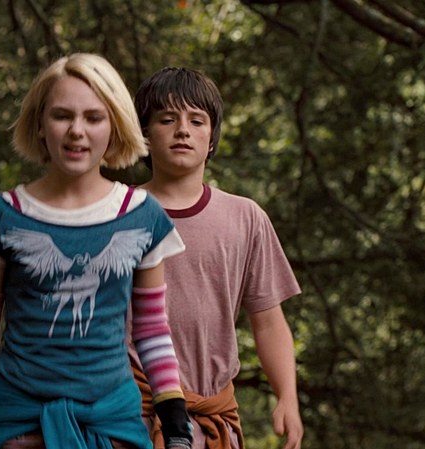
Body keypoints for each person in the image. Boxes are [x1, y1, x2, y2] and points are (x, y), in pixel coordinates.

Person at [0, 54, 194, 449]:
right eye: (61, 116)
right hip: (20, 423)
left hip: (114, 422)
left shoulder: (142, 216)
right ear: (40, 124)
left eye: (93, 118)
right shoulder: (1, 217)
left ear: (114, 125)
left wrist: (176, 428)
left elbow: (151, 329)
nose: (77, 131)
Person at [129, 67, 304, 449]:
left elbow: (268, 322)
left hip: (211, 422)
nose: (183, 130)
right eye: (167, 119)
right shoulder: (116, 212)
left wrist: (287, 397)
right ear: (144, 134)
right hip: (128, 418)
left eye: (197, 121)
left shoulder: (245, 217)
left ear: (211, 140)